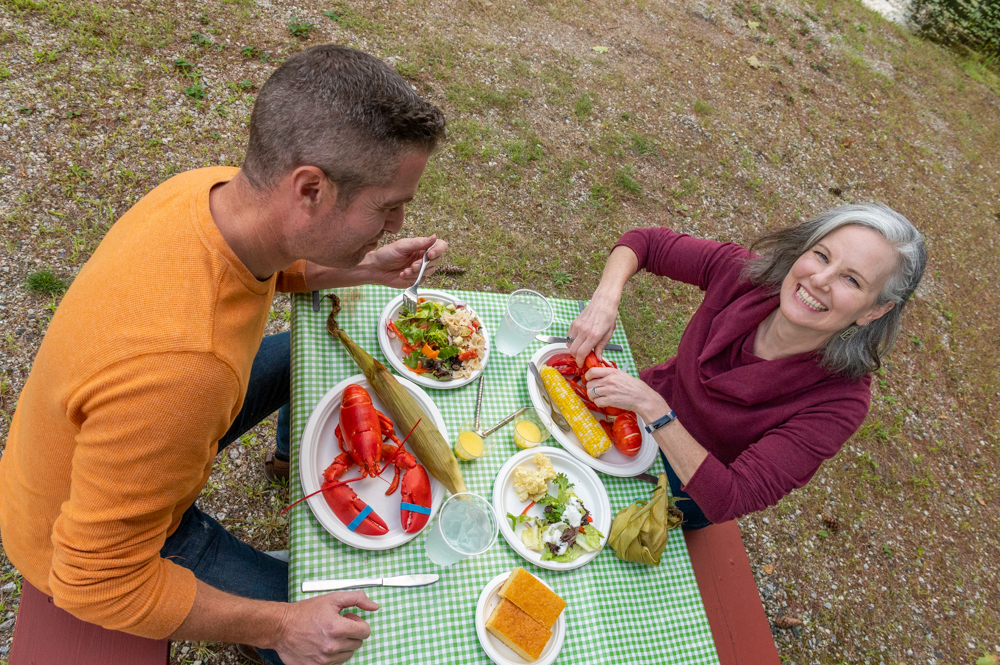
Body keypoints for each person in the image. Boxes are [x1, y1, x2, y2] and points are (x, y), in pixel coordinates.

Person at [0, 45, 448, 665]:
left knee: (302, 354)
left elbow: (273, 263)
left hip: (93, 445)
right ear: (310, 189)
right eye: (387, 207)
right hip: (81, 542)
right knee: (344, 643)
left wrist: (363, 267)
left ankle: (288, 465)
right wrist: (281, 627)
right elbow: (95, 581)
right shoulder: (185, 373)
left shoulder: (206, 195)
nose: (397, 223)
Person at [567, 204, 925, 530]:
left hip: (678, 489)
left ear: (874, 311)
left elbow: (730, 497)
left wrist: (654, 408)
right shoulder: (743, 274)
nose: (820, 280)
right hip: (620, 414)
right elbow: (645, 243)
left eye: (852, 280)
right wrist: (604, 301)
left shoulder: (840, 402)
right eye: (821, 255)